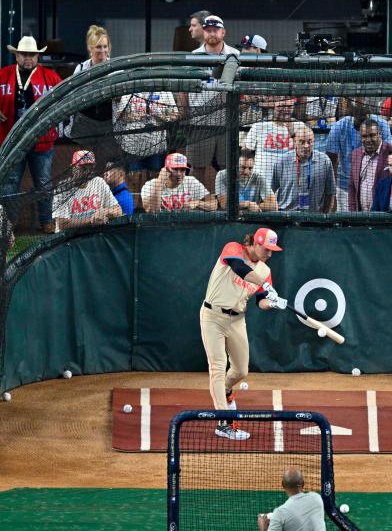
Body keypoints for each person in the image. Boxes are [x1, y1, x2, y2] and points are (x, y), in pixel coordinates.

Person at [201, 227, 285, 440]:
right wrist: (264, 284)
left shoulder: (265, 271)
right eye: (267, 249)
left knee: (240, 371)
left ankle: (226, 391)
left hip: (237, 320)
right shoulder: (234, 249)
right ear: (255, 243)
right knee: (218, 369)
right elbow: (239, 268)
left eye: (272, 250)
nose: (269, 254)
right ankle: (223, 423)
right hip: (213, 316)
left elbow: (261, 301)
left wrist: (272, 303)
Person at [0, 36, 63, 232]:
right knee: (9, 184)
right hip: (11, 140)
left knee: (43, 182)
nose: (28, 58)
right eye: (24, 54)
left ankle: (46, 222)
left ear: (38, 56)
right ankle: (8, 224)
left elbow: (64, 98)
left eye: (32, 54)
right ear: (16, 55)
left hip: (41, 140)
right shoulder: (2, 75)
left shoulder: (50, 77)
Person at [185, 15, 240, 186]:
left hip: (227, 121)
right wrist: (186, 115)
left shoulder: (235, 54)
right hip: (201, 122)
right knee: (197, 167)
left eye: (215, 30)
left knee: (228, 167)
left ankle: (229, 206)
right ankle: (193, 204)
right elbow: (185, 88)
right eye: (208, 30)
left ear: (223, 32)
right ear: (204, 32)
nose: (212, 34)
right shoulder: (194, 56)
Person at [326, 101, 392, 211]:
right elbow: (331, 162)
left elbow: (389, 155)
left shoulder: (382, 125)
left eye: (371, 134)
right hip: (345, 186)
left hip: (378, 188)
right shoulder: (339, 127)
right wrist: (331, 193)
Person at [243, 97, 306, 187]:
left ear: (293, 107)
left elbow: (305, 154)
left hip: (288, 181)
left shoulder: (300, 126)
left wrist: (292, 133)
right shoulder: (259, 126)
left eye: (289, 107)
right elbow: (246, 151)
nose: (285, 110)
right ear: (274, 105)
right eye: (281, 106)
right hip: (262, 181)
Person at [53, 151, 124, 230]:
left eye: (90, 167)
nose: (87, 172)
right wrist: (91, 220)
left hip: (94, 235)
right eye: (83, 168)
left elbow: (118, 210)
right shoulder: (62, 189)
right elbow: (62, 224)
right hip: (70, 239)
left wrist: (105, 211)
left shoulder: (99, 182)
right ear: (73, 168)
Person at [271, 127, 335, 212]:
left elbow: (330, 193)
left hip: (313, 217)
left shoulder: (324, 161)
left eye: (309, 142)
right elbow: (270, 191)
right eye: (302, 142)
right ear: (295, 142)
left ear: (314, 142)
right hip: (286, 216)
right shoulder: (282, 162)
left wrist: (325, 217)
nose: (306, 146)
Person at [141, 153, 216, 212]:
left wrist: (197, 203)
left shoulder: (191, 181)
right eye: (175, 169)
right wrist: (160, 182)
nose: (179, 173)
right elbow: (152, 210)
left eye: (182, 169)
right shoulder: (150, 185)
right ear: (166, 169)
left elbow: (214, 204)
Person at [257, 467, 326, 531]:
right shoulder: (316, 497)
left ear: (283, 485)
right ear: (303, 483)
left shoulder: (280, 513)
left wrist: (263, 528)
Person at [348, 119, 392, 212]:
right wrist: (352, 212)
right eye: (364, 136)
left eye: (372, 135)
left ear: (379, 134)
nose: (368, 140)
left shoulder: (391, 152)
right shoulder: (355, 154)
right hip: (361, 215)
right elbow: (352, 186)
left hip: (384, 215)